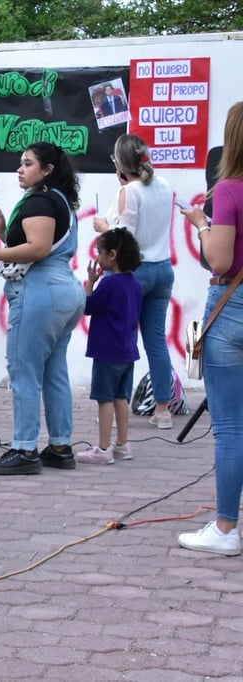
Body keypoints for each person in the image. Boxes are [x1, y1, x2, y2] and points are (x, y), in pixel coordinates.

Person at [0, 141, 86, 475]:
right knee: (54, 372)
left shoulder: (41, 200)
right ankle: (60, 446)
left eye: (28, 164)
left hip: (40, 291)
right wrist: (3, 230)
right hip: (64, 290)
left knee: (23, 371)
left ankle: (24, 448)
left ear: (48, 170)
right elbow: (38, 243)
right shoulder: (60, 199)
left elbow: (37, 248)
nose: (20, 169)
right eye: (21, 163)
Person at [177, 101, 243, 555]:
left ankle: (224, 527)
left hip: (232, 304)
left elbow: (218, 260)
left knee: (232, 428)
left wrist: (202, 224)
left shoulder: (228, 191)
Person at [93, 133, 176, 429]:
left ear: (119, 163)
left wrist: (103, 226)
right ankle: (163, 408)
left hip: (136, 273)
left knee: (122, 340)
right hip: (163, 269)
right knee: (156, 341)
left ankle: (119, 408)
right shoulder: (164, 185)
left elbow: (124, 238)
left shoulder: (129, 192)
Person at [75, 228, 143, 465]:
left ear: (112, 255)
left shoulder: (109, 283)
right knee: (121, 397)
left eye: (100, 252)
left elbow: (88, 307)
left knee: (104, 398)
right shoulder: (134, 283)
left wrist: (90, 283)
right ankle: (122, 445)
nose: (98, 257)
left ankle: (103, 448)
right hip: (127, 350)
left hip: (106, 351)